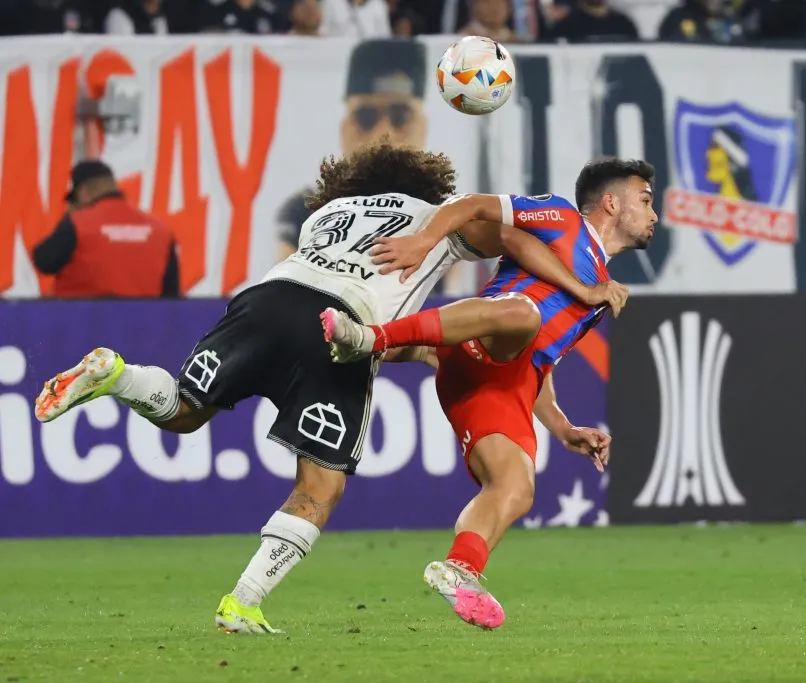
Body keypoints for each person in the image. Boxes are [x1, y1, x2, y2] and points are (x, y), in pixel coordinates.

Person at [32, 141, 627, 635]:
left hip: (265, 298)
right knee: (320, 484)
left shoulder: (324, 216)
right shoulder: (432, 215)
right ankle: (243, 602)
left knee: (185, 409)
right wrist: (579, 283)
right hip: (338, 325)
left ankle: (117, 374)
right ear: (424, 182)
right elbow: (517, 239)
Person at [322, 157, 655, 629]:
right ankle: (371, 339)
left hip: (503, 377)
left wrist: (562, 426)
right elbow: (475, 207)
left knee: (516, 488)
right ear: (611, 202)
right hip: (484, 335)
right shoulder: (562, 218)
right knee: (522, 315)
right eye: (645, 201)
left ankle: (460, 570)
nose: (654, 214)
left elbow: (539, 362)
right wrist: (423, 239)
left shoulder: (601, 292)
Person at [276, 40, 427, 261]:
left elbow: (458, 288)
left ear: (422, 128)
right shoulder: (304, 209)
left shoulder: (442, 212)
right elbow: (279, 287)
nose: (383, 134)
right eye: (366, 117)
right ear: (344, 128)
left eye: (399, 117)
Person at [32, 160, 179, 298]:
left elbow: (43, 260)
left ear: (83, 192)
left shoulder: (78, 224)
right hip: (143, 323)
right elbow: (172, 297)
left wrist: (67, 218)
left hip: (83, 321)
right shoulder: (161, 231)